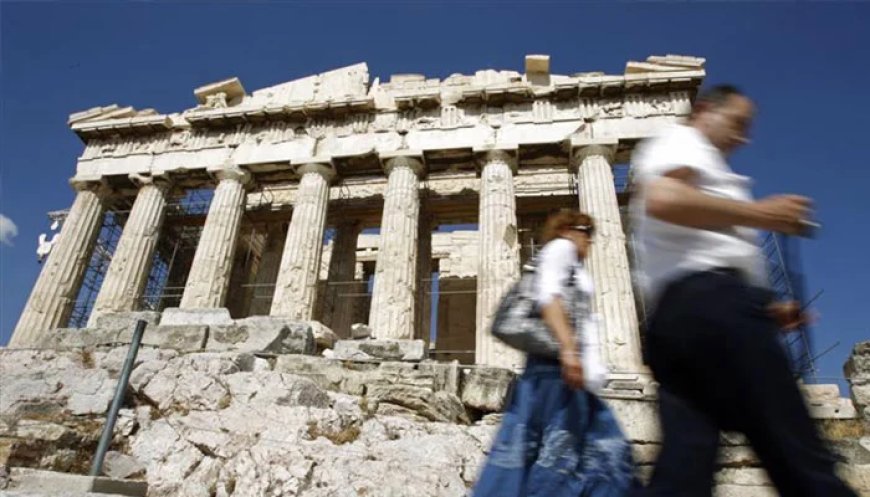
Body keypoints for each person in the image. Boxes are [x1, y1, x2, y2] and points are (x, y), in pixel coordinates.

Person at [630, 85, 857, 497]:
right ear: (703, 110)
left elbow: (689, 247)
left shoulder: (700, 162)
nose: (744, 137)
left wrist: (769, 310)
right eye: (737, 123)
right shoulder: (682, 141)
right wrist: (762, 214)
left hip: (682, 319)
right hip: (716, 308)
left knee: (683, 469)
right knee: (799, 455)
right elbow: (664, 199)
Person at [473, 209, 635, 497]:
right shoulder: (560, 250)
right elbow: (549, 297)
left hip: (566, 376)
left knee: (584, 457)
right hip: (555, 371)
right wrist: (570, 351)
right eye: (586, 232)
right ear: (568, 230)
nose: (590, 240)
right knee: (563, 460)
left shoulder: (576, 266)